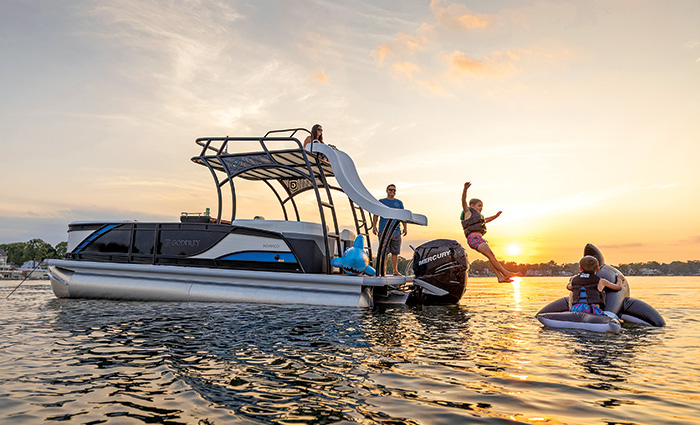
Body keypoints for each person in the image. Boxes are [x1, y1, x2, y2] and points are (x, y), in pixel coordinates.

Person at [461, 182, 519, 283]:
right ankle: (505, 273)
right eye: (479, 206)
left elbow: (486, 219)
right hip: (474, 238)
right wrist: (465, 189)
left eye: (482, 206)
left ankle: (500, 277)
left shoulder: (479, 217)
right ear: (472, 205)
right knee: (491, 255)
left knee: (491, 257)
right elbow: (463, 201)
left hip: (477, 239)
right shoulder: (468, 212)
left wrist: (496, 216)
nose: (481, 208)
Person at [372, 184, 407, 276]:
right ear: (387, 190)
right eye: (390, 190)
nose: (392, 192)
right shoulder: (381, 202)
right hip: (384, 231)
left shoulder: (399, 203)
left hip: (396, 231)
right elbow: (376, 215)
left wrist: (405, 227)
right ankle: (383, 270)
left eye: (394, 190)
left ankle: (395, 271)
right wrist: (374, 226)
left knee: (395, 252)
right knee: (385, 252)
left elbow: (403, 216)